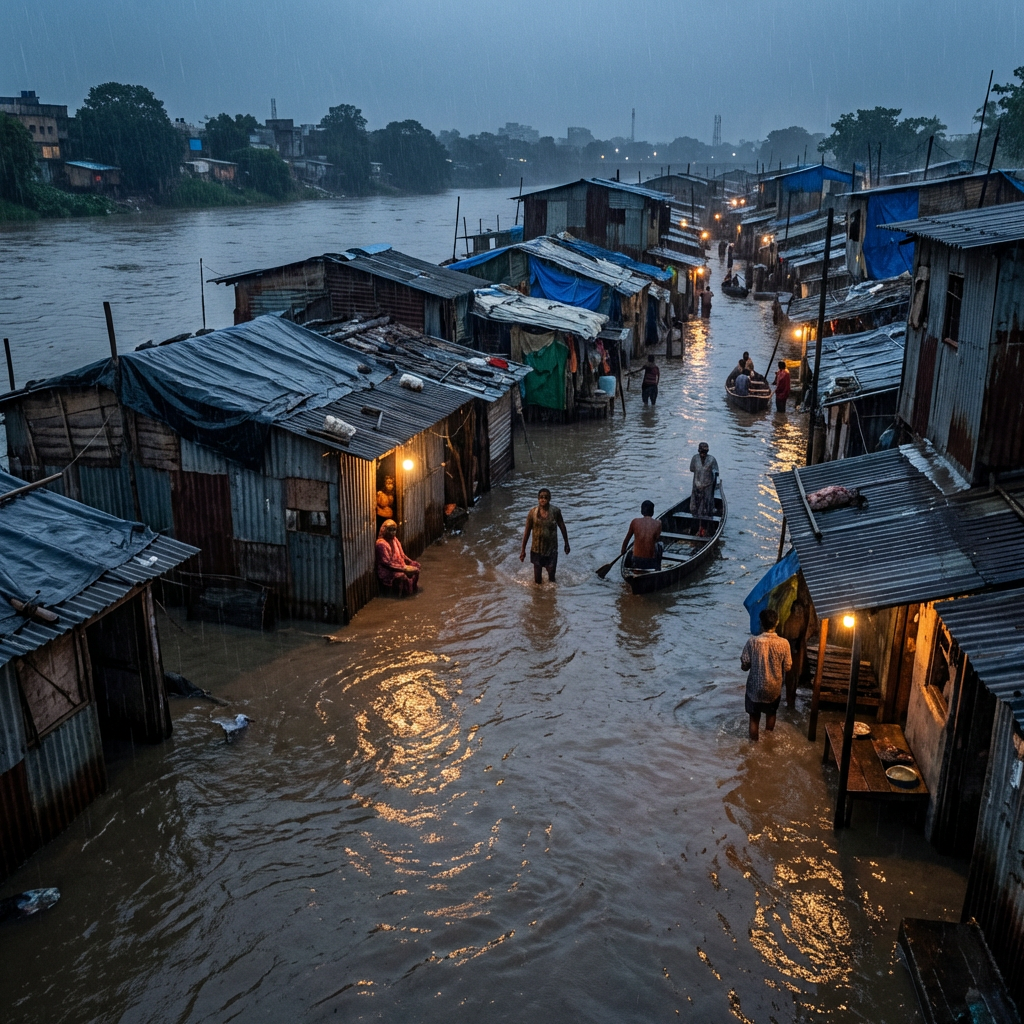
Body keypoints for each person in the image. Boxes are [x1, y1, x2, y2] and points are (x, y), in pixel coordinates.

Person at [741, 608, 793, 741]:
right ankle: (768, 741)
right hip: (773, 689)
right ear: (777, 623)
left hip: (755, 689)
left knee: (754, 717)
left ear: (761, 623)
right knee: (771, 714)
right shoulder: (784, 643)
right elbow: (787, 667)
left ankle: (754, 745)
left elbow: (745, 666)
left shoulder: (752, 642)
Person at [519, 488, 570, 584]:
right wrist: (523, 550)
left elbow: (562, 527)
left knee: (552, 580)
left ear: (549, 499)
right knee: (537, 581)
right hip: (536, 549)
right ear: (538, 499)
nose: (543, 499)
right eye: (541, 497)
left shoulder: (555, 512)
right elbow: (527, 531)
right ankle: (538, 598)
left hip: (551, 550)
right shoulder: (532, 513)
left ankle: (551, 597)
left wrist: (566, 543)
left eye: (546, 497)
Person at [376, 520, 421, 596]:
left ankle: (413, 590)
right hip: (389, 571)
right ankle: (402, 596)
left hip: (400, 565)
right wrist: (403, 569)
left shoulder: (395, 539)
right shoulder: (381, 544)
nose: (393, 532)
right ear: (384, 530)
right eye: (390, 530)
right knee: (401, 576)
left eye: (394, 530)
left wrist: (410, 562)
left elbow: (402, 555)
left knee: (416, 566)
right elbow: (387, 564)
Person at [621, 500, 663, 571]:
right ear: (652, 512)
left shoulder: (634, 522)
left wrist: (623, 550)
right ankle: (657, 569)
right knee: (660, 545)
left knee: (631, 550)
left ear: (641, 511)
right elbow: (656, 539)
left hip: (636, 560)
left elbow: (626, 540)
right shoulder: (658, 523)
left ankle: (629, 568)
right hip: (650, 561)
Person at [689, 442, 719, 536]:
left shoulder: (712, 460)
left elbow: (716, 473)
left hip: (708, 487)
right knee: (695, 508)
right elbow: (692, 469)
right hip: (696, 486)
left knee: (707, 509)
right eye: (702, 452)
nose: (703, 454)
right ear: (698, 451)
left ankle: (706, 529)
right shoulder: (695, 458)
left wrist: (713, 486)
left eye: (705, 452)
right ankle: (694, 529)